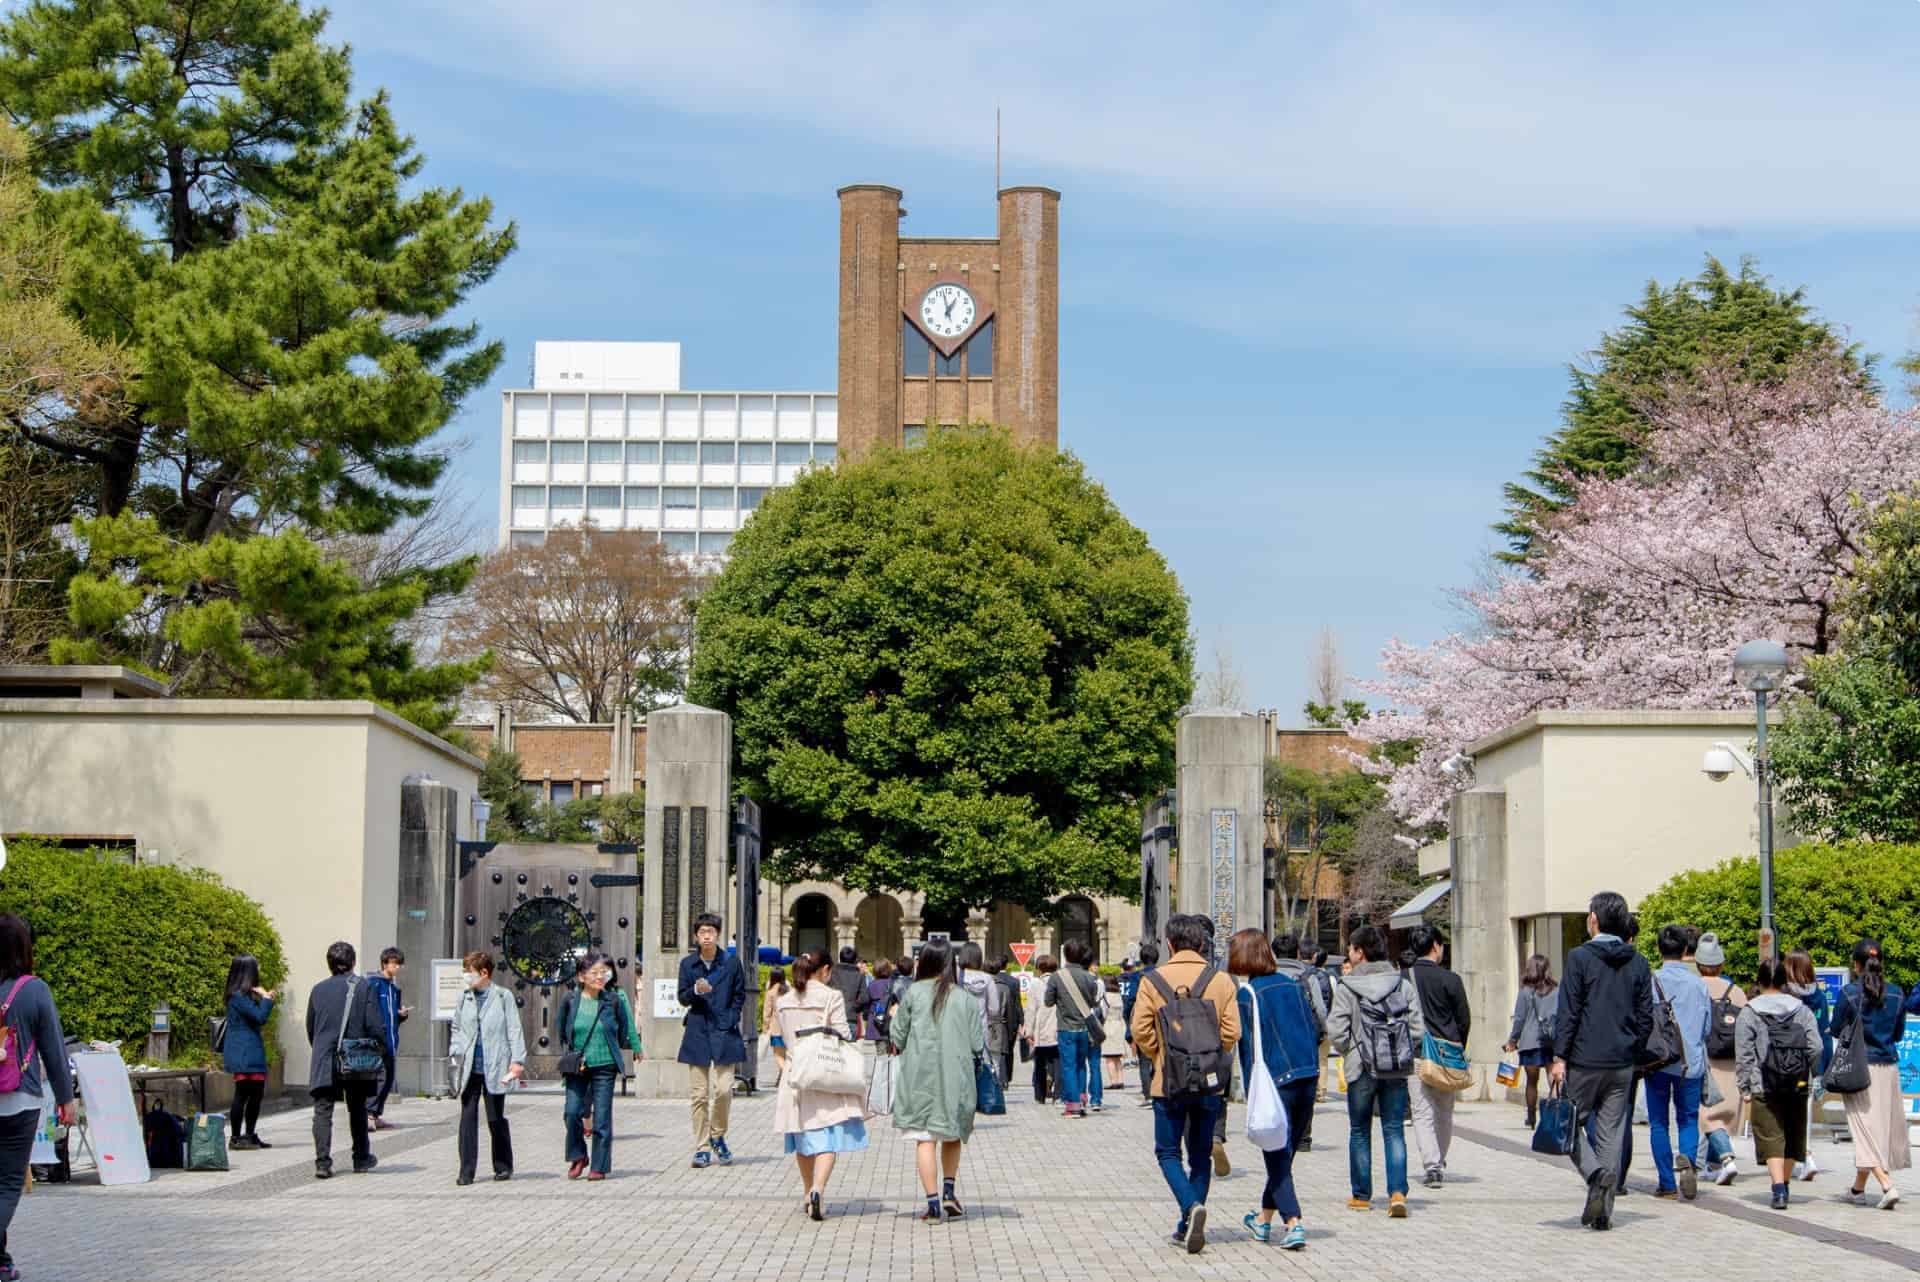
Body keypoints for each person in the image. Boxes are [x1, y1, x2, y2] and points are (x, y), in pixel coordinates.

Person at [1132, 913, 1242, 1253]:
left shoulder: (1153, 980)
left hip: (1169, 1081)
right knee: (1200, 1155)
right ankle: (1187, 1223)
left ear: (1169, 943)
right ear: (1201, 944)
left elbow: (1140, 1029)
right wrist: (1210, 1053)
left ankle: (1189, 1208)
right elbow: (1232, 1032)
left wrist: (1161, 1055)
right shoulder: (1221, 981)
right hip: (1209, 1082)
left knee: (1167, 1152)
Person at [1549, 891, 1653, 1232]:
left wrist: (1559, 1056)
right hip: (1622, 1062)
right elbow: (1645, 1016)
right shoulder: (1638, 962)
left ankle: (1594, 1174)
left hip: (1583, 1058)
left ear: (1594, 919)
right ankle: (1604, 1212)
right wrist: (1633, 1050)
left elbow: (1569, 1012)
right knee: (1611, 1133)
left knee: (1567, 1124)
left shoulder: (1580, 958)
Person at [1230, 928, 1318, 1251]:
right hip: (1307, 1075)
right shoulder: (1293, 986)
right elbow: (1313, 1028)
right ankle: (1264, 1220)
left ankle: (1293, 1223)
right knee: (1283, 1156)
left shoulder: (1247, 995)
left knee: (1277, 1156)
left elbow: (1248, 1049)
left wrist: (1248, 1091)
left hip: (1275, 1082)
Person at [1327, 923, 1423, 1219]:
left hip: (1361, 1067)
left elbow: (1337, 1030)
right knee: (1394, 1129)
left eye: (1352, 949)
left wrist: (1350, 1051)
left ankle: (1361, 1195)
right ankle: (1397, 1193)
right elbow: (1417, 1030)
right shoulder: (1402, 984)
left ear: (1360, 953)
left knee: (1359, 1130)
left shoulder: (1348, 987)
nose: (1349, 954)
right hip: (1395, 1066)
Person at [0, 914, 73, 1282]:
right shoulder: (34, 989)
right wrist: (66, 1098)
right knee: (7, 1183)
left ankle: (2, 1260)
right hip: (19, 1099)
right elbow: (54, 1050)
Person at [891, 939, 985, 1223]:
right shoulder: (965, 997)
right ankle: (949, 1191)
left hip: (919, 1076)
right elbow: (977, 1043)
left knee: (925, 1139)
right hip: (956, 1076)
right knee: (952, 1133)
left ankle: (932, 1204)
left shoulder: (913, 994)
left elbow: (897, 1037)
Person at [775, 951, 869, 1220]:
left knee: (801, 1135)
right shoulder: (831, 996)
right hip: (825, 1071)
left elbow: (782, 1036)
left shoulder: (785, 1000)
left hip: (796, 1074)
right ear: (825, 970)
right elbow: (843, 1033)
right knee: (827, 1134)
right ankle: (818, 1188)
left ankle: (807, 1192)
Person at [1735, 956, 1823, 1210]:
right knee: (1793, 1136)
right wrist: (1811, 1071)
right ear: (1785, 981)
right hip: (1797, 1082)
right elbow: (1815, 1046)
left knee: (1771, 1136)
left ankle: (1778, 1188)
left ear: (1759, 981)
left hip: (1764, 1083)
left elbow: (1744, 1054)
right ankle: (1785, 1184)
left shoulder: (1750, 1012)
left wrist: (1745, 1087)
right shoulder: (1802, 1010)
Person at [1833, 937, 1909, 1208]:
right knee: (1877, 1130)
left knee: (1863, 1130)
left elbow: (1834, 1028)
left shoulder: (1849, 994)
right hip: (1888, 1069)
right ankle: (1857, 1190)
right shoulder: (1898, 993)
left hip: (1859, 1068)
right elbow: (1898, 1033)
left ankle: (1887, 1186)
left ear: (1856, 965)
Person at [555, 951, 642, 1181]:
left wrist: (632, 1046)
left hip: (605, 1065)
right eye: (594, 973)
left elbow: (624, 1027)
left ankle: (599, 1166)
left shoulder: (613, 999)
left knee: (602, 1117)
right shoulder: (570, 1000)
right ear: (581, 976)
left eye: (603, 972)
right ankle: (578, 1155)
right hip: (578, 1066)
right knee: (571, 1112)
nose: (599, 977)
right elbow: (562, 1029)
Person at [305, 940, 383, 1179]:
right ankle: (360, 1158)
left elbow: (311, 1027)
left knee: (322, 1110)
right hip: (355, 1057)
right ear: (352, 962)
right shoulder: (363, 987)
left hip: (324, 1057)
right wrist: (381, 1050)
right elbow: (374, 1025)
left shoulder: (318, 990)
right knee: (357, 1108)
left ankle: (322, 1162)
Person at [448, 950, 525, 1185]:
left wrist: (517, 1060)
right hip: (470, 1066)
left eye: (468, 972)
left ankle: (503, 1165)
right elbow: (457, 1027)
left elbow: (514, 1028)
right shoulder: (464, 997)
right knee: (467, 1118)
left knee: (495, 1117)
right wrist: (455, 1049)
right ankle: (466, 1170)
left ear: (484, 972)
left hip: (495, 1065)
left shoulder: (503, 996)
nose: (466, 977)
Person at [1644, 925, 1710, 1201]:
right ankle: (1689, 1161)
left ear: (1659, 949)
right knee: (1688, 1118)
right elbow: (1706, 1028)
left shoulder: (1650, 982)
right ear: (1686, 950)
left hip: (1657, 1061)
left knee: (1659, 1122)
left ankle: (1666, 1182)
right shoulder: (1699, 985)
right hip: (1690, 1062)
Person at [679, 911, 747, 1169]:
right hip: (697, 1030)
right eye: (702, 932)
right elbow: (682, 997)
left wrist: (731, 1017)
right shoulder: (687, 964)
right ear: (696, 936)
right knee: (699, 1094)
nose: (707, 936)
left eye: (711, 932)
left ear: (717, 934)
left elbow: (740, 994)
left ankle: (717, 1134)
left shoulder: (730, 963)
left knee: (723, 1089)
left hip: (724, 1030)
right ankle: (702, 1147)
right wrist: (696, 990)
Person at [1406, 923, 1469, 1187]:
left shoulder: (1404, 978)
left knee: (1421, 1112)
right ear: (1436, 947)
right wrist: (1458, 1047)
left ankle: (1431, 1165)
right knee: (1444, 1111)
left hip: (1416, 1053)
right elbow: (1464, 1019)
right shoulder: (1451, 979)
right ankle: (1439, 1162)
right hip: (1446, 1054)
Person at [1694, 931, 1746, 1184]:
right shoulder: (1736, 992)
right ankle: (1714, 1165)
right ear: (1721, 964)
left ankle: (1726, 1158)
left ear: (1698, 963)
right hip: (1733, 1060)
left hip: (1706, 1060)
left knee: (1708, 1115)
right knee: (1725, 1113)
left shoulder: (1695, 988)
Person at [1272, 933, 1329, 1150]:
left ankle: (1280, 1134)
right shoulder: (1308, 976)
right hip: (1304, 1040)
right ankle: (1303, 1136)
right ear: (1297, 952)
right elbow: (1321, 1010)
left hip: (1275, 1041)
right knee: (1305, 1086)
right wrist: (1323, 1032)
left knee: (1279, 1087)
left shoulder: (1266, 976)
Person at [1781, 949, 1830, 1182]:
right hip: (1810, 1063)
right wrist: (1822, 1069)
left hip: (1784, 1062)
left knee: (1783, 1111)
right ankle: (1806, 1156)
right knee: (1804, 1112)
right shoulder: (1819, 997)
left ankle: (1798, 1156)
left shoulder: (1784, 994)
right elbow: (1824, 1033)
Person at [221, 954, 275, 1149]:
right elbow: (260, 1017)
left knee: (257, 1093)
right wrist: (267, 998)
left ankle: (250, 1134)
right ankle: (236, 1137)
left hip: (250, 1049)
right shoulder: (238, 997)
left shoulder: (242, 996)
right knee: (243, 1093)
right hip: (244, 1051)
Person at [1046, 939, 1103, 1117]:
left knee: (1068, 1066)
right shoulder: (1089, 977)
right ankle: (1082, 1098)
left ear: (1065, 955)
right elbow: (1093, 1002)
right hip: (1085, 1029)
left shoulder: (1057, 976)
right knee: (1081, 1065)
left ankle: (1073, 1105)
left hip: (1066, 1028)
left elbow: (1048, 1002)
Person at [1503, 954, 1560, 1129]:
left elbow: (1519, 1018)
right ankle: (1557, 1113)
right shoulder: (1555, 990)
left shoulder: (1525, 991)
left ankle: (1531, 1117)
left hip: (1529, 1042)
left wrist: (1512, 1040)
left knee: (1531, 1082)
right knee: (1553, 1078)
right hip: (1550, 1040)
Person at [365, 946, 409, 1131]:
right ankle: (368, 1114)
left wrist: (402, 1015)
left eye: (399, 964)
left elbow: (394, 1017)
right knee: (380, 1078)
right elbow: (370, 1013)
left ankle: (376, 1114)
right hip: (377, 1041)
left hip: (391, 1041)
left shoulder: (394, 989)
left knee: (389, 1078)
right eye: (394, 963)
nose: (397, 967)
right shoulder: (373, 984)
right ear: (385, 964)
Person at [1121, 943, 1159, 1103]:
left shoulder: (1136, 977)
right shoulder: (1162, 974)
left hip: (1143, 1019)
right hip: (1160, 1020)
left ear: (1141, 959)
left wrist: (1128, 1020)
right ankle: (1159, 1090)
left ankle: (1148, 1095)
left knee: (1144, 1060)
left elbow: (1130, 1001)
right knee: (1159, 1057)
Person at [1023, 955, 1061, 1103]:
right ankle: (1058, 1094)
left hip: (1041, 1025)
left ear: (1039, 969)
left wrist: (1028, 1030)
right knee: (1058, 1061)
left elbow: (1030, 1009)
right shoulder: (1059, 981)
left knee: (1040, 1062)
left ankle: (1040, 1095)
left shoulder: (1035, 984)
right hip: (1057, 1024)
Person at [985, 955, 1021, 1086]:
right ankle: (1001, 1082)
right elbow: (1012, 1008)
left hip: (985, 1024)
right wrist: (1014, 1028)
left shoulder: (981, 985)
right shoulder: (1008, 985)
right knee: (1000, 1056)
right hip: (1001, 1025)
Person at [828, 947, 871, 1041]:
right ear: (855, 960)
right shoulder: (859, 975)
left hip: (833, 1017)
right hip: (851, 1018)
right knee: (850, 1052)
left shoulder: (831, 973)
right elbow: (864, 998)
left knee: (832, 1054)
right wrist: (854, 1007)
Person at [763, 966, 791, 1079]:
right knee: (786, 1055)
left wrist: (765, 1028)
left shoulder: (771, 992)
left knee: (778, 1055)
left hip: (776, 1028)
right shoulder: (790, 991)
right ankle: (782, 1078)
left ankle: (788, 1076)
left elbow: (766, 1013)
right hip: (790, 1027)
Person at [1101, 975, 1127, 1090]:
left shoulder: (1105, 997)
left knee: (1109, 1057)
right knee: (1118, 1057)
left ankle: (1113, 1081)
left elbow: (1103, 1013)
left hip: (1109, 1025)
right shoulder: (1119, 996)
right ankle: (1121, 1080)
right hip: (1119, 1025)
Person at [865, 961, 897, 1049]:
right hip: (890, 1019)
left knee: (880, 1050)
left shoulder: (872, 985)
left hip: (876, 1020)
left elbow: (866, 1002)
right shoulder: (893, 983)